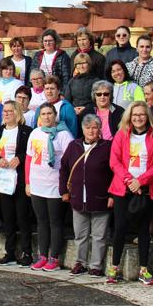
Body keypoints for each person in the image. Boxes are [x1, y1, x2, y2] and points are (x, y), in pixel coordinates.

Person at [106, 101, 153, 285]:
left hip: (145, 187)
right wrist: (129, 181)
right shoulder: (121, 135)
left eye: (142, 114)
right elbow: (114, 161)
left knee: (143, 229)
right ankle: (114, 267)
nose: (138, 118)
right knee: (120, 228)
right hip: (123, 187)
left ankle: (143, 269)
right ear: (129, 117)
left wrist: (140, 181)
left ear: (147, 116)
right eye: (135, 115)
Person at [60, 114, 113, 277]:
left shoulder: (107, 147)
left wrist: (112, 195)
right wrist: (64, 190)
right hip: (77, 197)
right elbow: (64, 168)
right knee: (80, 235)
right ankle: (80, 262)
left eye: (95, 127)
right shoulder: (73, 145)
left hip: (100, 198)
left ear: (100, 130)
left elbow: (114, 172)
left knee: (99, 236)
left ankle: (96, 265)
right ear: (82, 129)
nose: (91, 130)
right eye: (88, 127)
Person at [26, 103, 74, 272]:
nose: (46, 117)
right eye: (43, 113)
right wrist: (28, 182)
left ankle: (54, 257)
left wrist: (66, 187)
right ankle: (42, 255)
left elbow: (70, 163)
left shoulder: (64, 135)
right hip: (37, 183)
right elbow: (29, 158)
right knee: (41, 221)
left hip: (55, 184)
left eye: (49, 113)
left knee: (55, 221)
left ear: (55, 115)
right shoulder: (35, 133)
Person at [0, 101, 33, 266]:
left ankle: (27, 252)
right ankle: (10, 252)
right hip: (3, 180)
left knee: (22, 217)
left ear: (17, 113)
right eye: (4, 111)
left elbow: (29, 152)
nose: (6, 114)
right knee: (8, 218)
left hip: (19, 180)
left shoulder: (27, 131)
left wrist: (19, 158)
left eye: (10, 111)